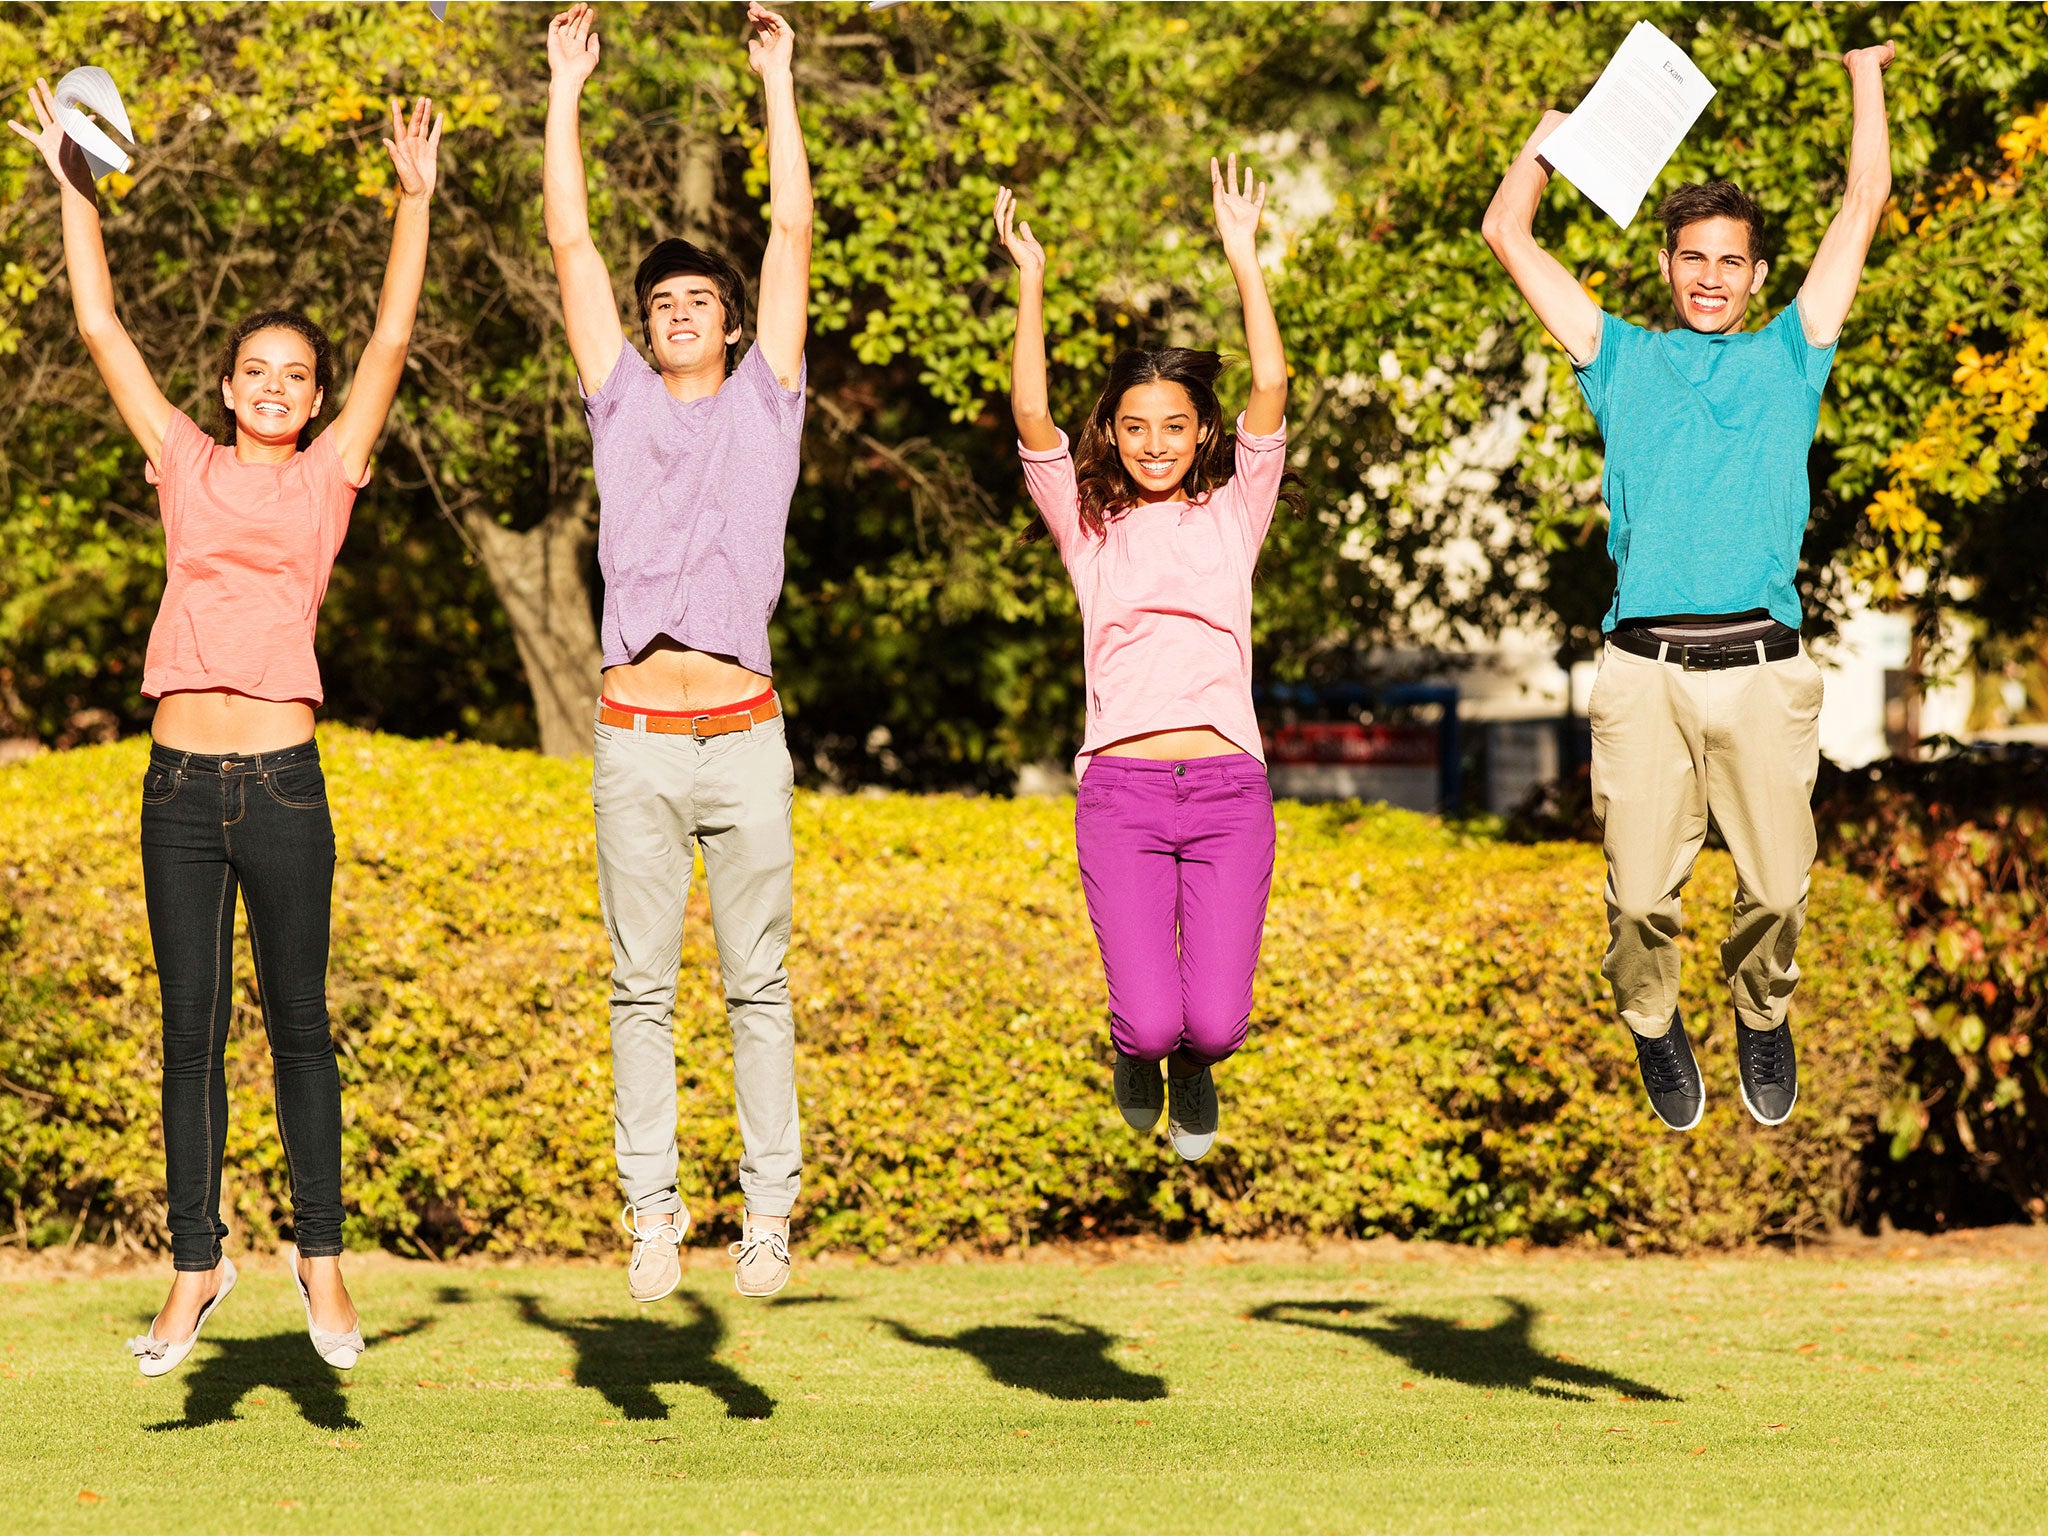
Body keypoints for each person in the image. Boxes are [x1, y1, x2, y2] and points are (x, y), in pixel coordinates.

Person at [8, 84, 443, 1373]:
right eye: (254, 372)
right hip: (180, 785)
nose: (273, 388)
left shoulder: (326, 474)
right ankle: (195, 1270)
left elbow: (386, 346)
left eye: (291, 377)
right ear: (227, 386)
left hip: (286, 784)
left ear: (310, 401)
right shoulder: (185, 464)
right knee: (188, 1032)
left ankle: (322, 1266)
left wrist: (414, 205)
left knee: (298, 1028)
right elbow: (98, 325)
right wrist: (75, 189)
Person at [1480, 43, 1897, 1131]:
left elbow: (1863, 201)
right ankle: (1654, 1025)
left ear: (1756, 274)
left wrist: (1864, 76)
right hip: (1641, 675)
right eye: (1691, 259)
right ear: (1664, 265)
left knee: (1773, 891)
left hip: (1761, 670)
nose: (1710, 277)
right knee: (1634, 904)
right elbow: (1504, 235)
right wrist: (1548, 134)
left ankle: (1760, 1014)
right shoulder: (1614, 355)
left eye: (1729, 261)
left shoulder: (1790, 353)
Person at [543, 3, 812, 1300]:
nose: (685, 311)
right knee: (637, 988)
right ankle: (655, 1211)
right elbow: (571, 239)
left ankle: (769, 1215)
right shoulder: (622, 401)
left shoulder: (770, 401)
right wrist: (564, 91)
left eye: (703, 298)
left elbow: (796, 237)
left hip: (746, 738)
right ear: (648, 327)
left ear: (728, 319)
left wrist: (778, 81)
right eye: (668, 302)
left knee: (757, 988)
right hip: (638, 742)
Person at [993, 156, 1295, 1162]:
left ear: (1199, 431)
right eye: (1134, 428)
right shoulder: (1089, 524)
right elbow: (1031, 419)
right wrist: (1030, 283)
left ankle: (1190, 1065)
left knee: (1209, 1025)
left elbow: (1268, 382)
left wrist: (1242, 256)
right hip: (1119, 790)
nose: (1154, 442)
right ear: (1112, 438)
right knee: (1147, 1020)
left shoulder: (1233, 512)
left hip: (1224, 788)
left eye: (1172, 426)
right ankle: (1136, 1053)